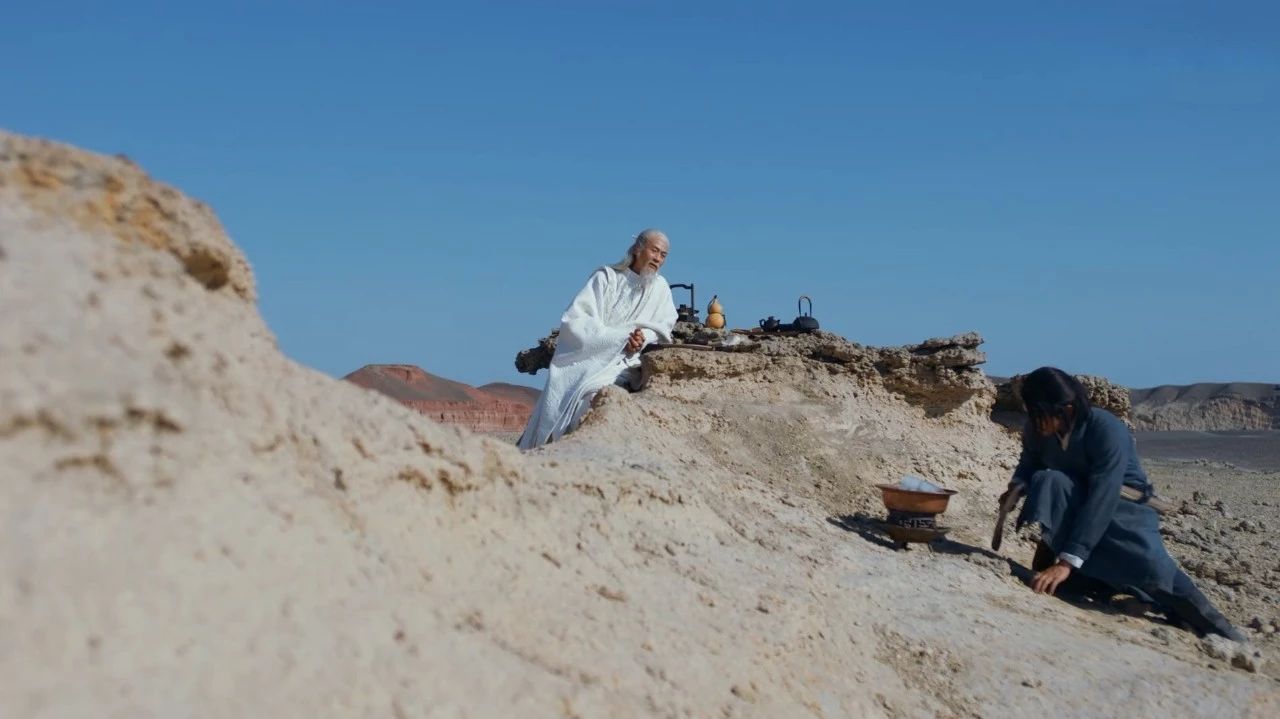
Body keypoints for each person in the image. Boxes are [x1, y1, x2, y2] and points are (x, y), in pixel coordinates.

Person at [1002, 366, 1245, 641]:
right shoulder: (1038, 430)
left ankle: (1223, 632)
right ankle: (1086, 577)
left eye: (1040, 414)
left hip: (1123, 509)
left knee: (1153, 569)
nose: (1036, 423)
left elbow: (1102, 495)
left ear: (1066, 409)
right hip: (1077, 502)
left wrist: (1067, 562)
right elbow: (1030, 463)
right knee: (1049, 481)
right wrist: (1017, 485)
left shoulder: (1105, 429)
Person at [517, 229, 678, 450]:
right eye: (654, 251)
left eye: (664, 255)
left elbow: (665, 324)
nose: (658, 259)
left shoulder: (660, 289)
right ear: (639, 249)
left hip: (626, 363)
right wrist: (622, 337)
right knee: (573, 396)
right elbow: (576, 320)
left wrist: (644, 337)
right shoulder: (606, 278)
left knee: (601, 400)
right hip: (589, 358)